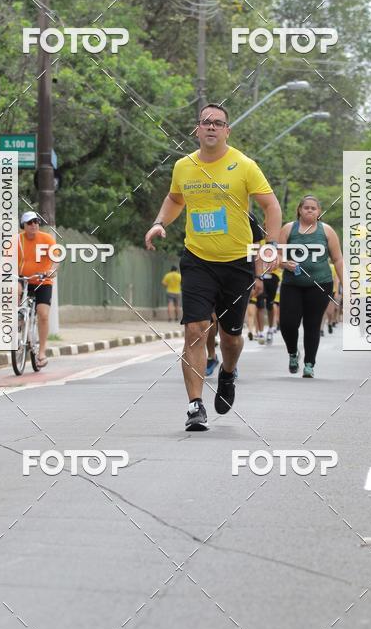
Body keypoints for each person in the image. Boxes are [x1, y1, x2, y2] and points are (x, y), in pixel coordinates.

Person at [145, 102, 282, 431]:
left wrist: (271, 246)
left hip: (236, 263)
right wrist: (160, 222)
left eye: (218, 123)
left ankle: (228, 372)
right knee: (194, 330)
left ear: (226, 131)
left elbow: (271, 205)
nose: (211, 127)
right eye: (205, 122)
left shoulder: (244, 165)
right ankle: (195, 405)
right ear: (197, 129)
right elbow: (175, 198)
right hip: (197, 260)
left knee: (231, 337)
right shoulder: (183, 166)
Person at [278, 195, 343, 378]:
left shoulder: (327, 231)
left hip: (320, 284)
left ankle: (309, 364)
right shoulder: (289, 229)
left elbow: (337, 259)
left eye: (313, 208)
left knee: (312, 324)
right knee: (288, 323)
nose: (309, 210)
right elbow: (277, 256)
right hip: (292, 284)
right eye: (306, 207)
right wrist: (284, 263)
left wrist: (348, 285)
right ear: (299, 209)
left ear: (319, 212)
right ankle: (293, 353)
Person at [17, 212, 58, 368]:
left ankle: (41, 352)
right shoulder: (17, 240)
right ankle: (19, 320)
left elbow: (56, 260)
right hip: (23, 280)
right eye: (29, 222)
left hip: (43, 281)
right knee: (13, 289)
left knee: (43, 314)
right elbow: (6, 260)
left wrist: (51, 271)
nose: (33, 225)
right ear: (23, 226)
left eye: (36, 221)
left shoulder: (47, 239)